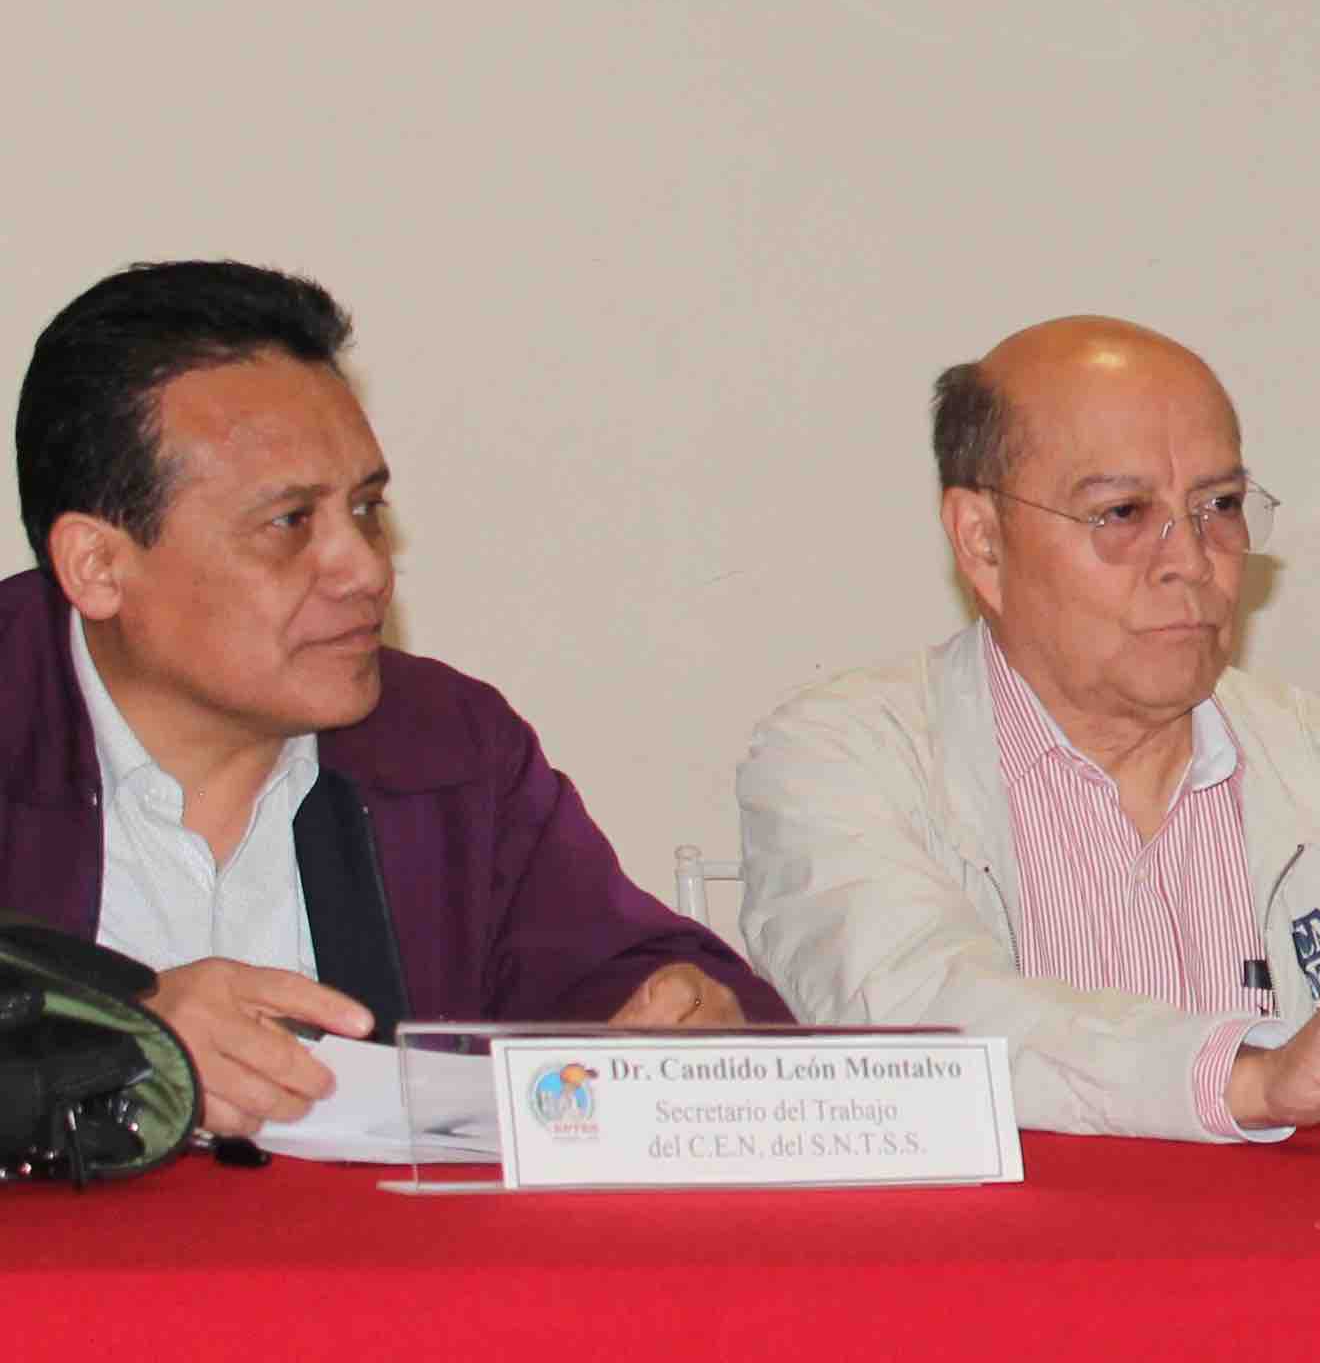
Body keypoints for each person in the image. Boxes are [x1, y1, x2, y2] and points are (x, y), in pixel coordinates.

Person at [736, 317, 1320, 1152]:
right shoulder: (841, 757)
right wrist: (1252, 1077)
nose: (1192, 563)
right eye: (1122, 514)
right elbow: (924, 1014)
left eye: (1220, 509)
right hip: (997, 1282)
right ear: (983, 542)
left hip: (1287, 1274)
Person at [0, 261, 776, 1140]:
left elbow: (631, 978)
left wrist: (686, 1024)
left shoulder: (446, 744)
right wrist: (110, 1044)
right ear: (99, 566)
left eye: (367, 508)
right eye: (290, 522)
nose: (365, 570)